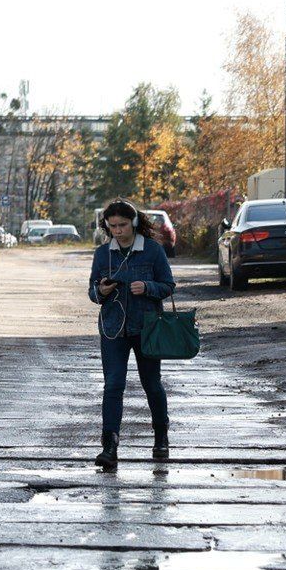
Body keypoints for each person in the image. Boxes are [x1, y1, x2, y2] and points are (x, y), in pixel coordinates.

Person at [88, 199, 175, 470]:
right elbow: (92, 291)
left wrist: (148, 287)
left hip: (147, 327)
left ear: (134, 222)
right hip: (113, 329)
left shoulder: (152, 251)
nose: (118, 230)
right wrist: (100, 291)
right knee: (113, 385)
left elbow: (168, 285)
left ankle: (161, 437)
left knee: (152, 384)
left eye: (123, 225)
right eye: (112, 226)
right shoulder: (103, 254)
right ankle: (109, 447)